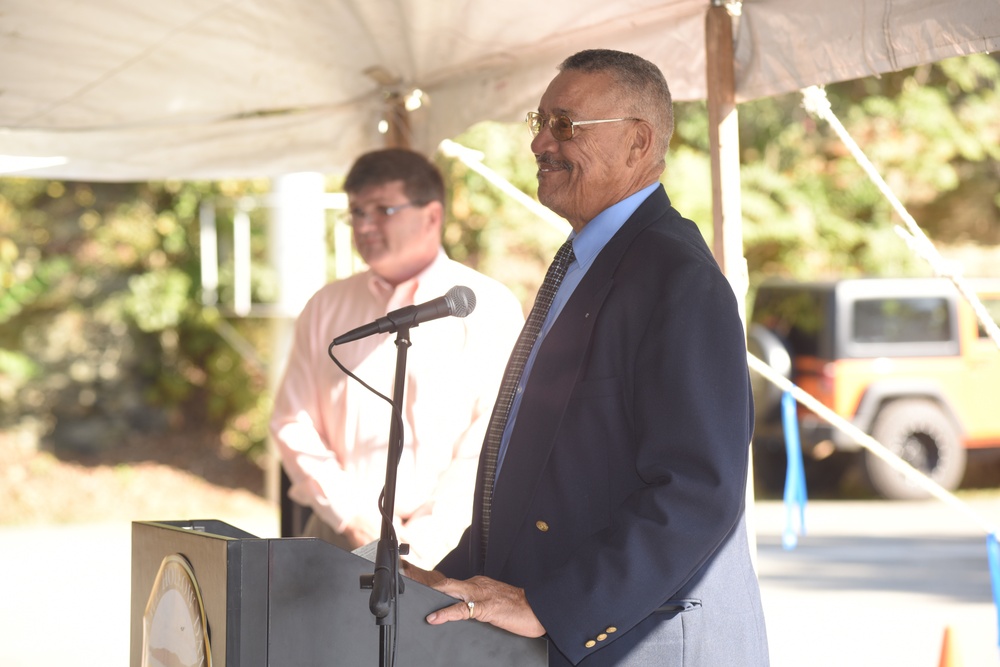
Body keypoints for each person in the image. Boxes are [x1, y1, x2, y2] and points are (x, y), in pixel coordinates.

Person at [405, 50, 770, 665]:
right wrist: (452, 580)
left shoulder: (677, 277)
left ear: (638, 142)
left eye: (565, 125)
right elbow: (546, 470)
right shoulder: (587, 260)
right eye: (539, 122)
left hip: (645, 641)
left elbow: (698, 489)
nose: (540, 144)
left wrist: (555, 606)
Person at [269, 148, 524, 569]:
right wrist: (353, 517)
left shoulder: (486, 305)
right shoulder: (326, 305)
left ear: (431, 216)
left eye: (383, 210)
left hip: (454, 544)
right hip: (338, 538)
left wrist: (425, 539)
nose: (364, 226)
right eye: (356, 212)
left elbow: (493, 437)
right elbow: (291, 422)